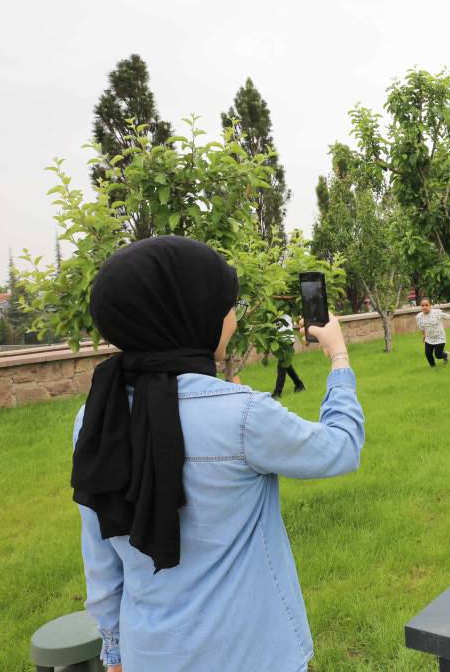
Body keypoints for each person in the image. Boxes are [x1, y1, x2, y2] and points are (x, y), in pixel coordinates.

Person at [71, 236, 365, 671]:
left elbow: (99, 551)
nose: (231, 319)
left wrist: (113, 650)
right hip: (252, 653)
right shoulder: (243, 416)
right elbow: (341, 448)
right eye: (227, 306)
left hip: (150, 654)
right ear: (190, 315)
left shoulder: (96, 415)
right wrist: (338, 356)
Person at [272, 313, 306, 398]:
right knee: (286, 364)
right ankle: (299, 384)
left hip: (286, 339)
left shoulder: (284, 304)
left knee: (281, 366)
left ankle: (277, 393)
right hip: (279, 338)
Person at [415, 298, 450, 367]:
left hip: (439, 337)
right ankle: (433, 367)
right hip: (429, 338)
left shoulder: (436, 313)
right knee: (428, 353)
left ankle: (446, 355)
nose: (424, 307)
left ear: (430, 306)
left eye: (426, 305)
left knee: (438, 355)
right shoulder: (419, 317)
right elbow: (422, 327)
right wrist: (424, 335)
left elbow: (444, 316)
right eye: (422, 305)